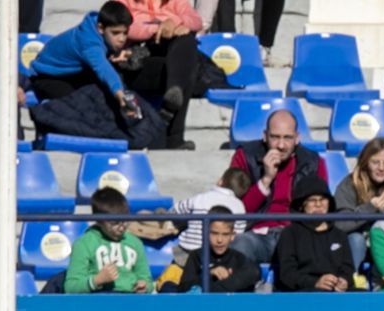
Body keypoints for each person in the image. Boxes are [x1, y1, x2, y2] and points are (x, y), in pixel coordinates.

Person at [228, 109, 328, 266]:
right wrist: (266, 179)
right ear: (264, 136)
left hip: (295, 234)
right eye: (275, 137)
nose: (281, 145)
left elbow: (321, 209)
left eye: (287, 138)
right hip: (255, 233)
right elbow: (236, 211)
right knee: (240, 245)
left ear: (297, 138)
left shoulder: (313, 162)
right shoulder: (245, 156)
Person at [28, 2, 144, 121]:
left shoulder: (97, 26)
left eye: (125, 33)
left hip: (71, 73)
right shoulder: (89, 44)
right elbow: (103, 69)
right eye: (116, 33)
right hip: (47, 76)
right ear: (100, 28)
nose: (122, 39)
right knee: (77, 106)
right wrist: (120, 94)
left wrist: (111, 56)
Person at [117, 0, 202, 149]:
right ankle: (174, 138)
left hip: (171, 65)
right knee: (186, 67)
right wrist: (160, 28)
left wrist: (176, 22)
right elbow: (121, 26)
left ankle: (173, 95)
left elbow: (196, 21)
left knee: (187, 43)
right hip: (139, 64)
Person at [272, 176, 355, 293]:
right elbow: (287, 274)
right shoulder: (290, 234)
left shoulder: (339, 235)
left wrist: (343, 281)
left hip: (336, 293)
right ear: (302, 205)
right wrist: (315, 282)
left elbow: (347, 268)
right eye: (312, 200)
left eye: (323, 199)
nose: (318, 204)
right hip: (304, 294)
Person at [334, 137, 384, 270]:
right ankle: (350, 281)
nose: (381, 168)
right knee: (356, 239)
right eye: (375, 162)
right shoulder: (349, 184)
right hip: (359, 243)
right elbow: (340, 224)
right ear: (366, 163)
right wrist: (370, 208)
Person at [64, 187, 151, 294]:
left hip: (130, 300)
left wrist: (144, 286)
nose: (122, 226)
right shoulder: (83, 244)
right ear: (99, 221)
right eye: (115, 223)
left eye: (125, 220)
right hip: (98, 300)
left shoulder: (135, 243)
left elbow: (147, 279)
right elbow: (71, 287)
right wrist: (96, 281)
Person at [171, 167, 250, 267]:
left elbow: (175, 211)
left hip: (186, 253)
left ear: (220, 181)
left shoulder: (200, 198)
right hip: (215, 257)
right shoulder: (239, 207)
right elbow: (237, 236)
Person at [177, 206, 259, 292]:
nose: (219, 240)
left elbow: (254, 274)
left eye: (225, 234)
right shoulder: (197, 255)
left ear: (232, 235)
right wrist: (209, 274)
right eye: (214, 233)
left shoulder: (239, 258)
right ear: (206, 232)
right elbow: (183, 289)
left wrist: (229, 279)